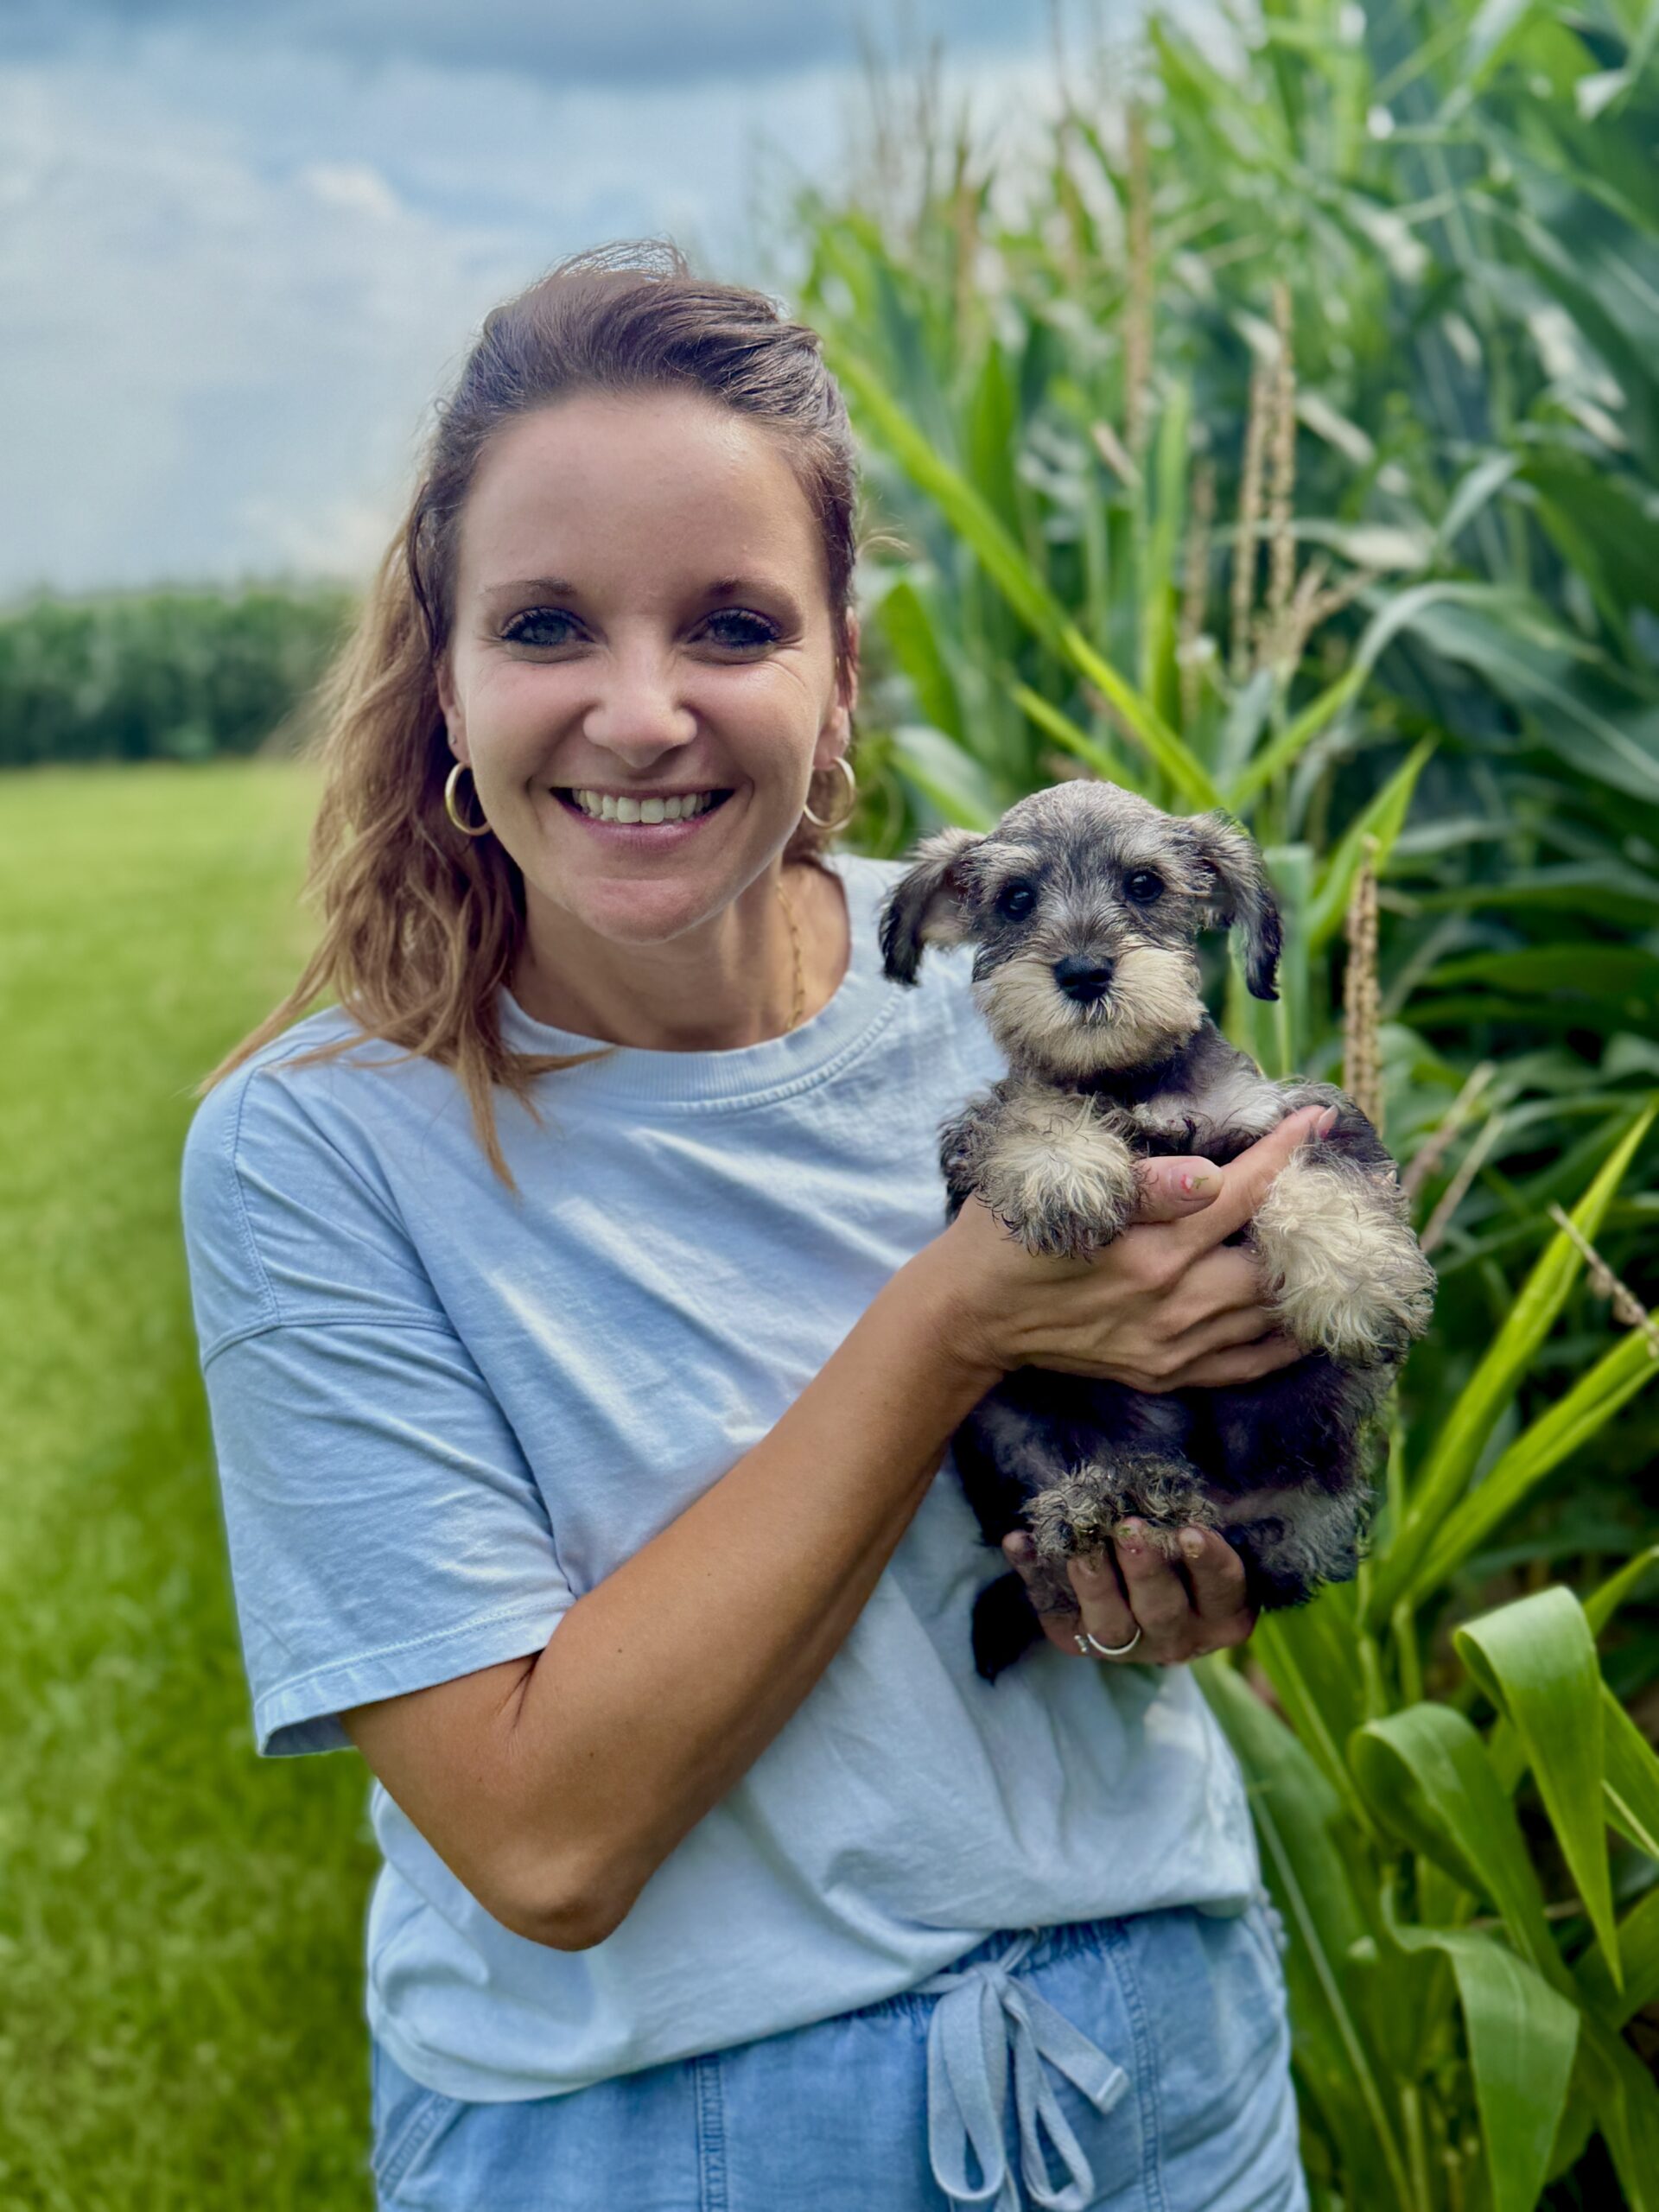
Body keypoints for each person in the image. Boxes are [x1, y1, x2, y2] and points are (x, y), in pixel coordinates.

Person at [180, 242, 1318, 2211]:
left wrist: (1179, 1568)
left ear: (840, 671)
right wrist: (953, 1322)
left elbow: (1209, 1438)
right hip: (654, 2132)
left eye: (731, 623)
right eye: (547, 625)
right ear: (448, 676)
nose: (642, 714)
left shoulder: (1010, 983)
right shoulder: (323, 1151)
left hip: (1158, 2061)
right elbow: (542, 1842)